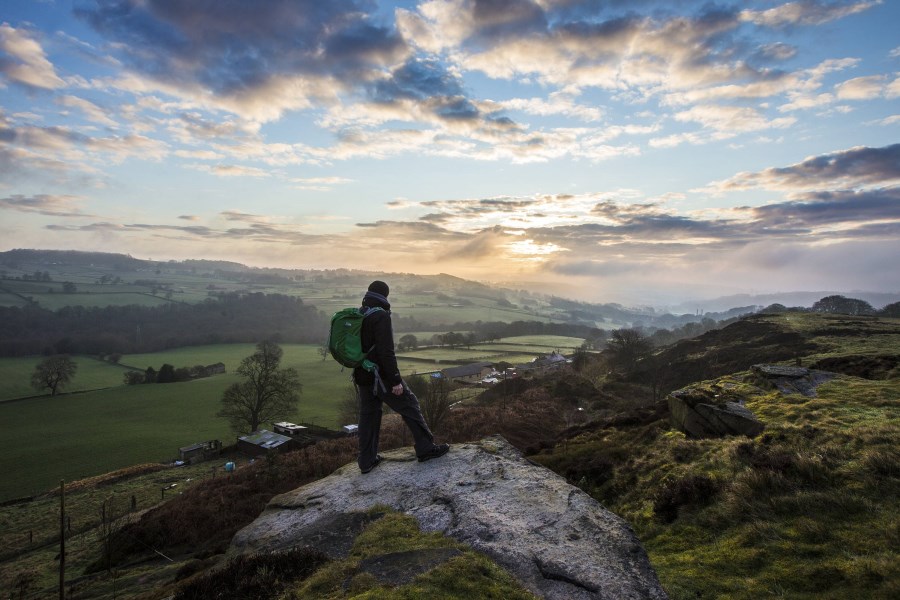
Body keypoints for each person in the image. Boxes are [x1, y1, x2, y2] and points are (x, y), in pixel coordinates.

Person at [353, 280, 449, 473]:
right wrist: (396, 380)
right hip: (381, 375)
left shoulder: (360, 313)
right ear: (385, 296)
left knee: (369, 416)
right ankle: (426, 448)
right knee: (410, 404)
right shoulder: (380, 316)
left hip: (362, 373)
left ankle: (366, 460)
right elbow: (386, 351)